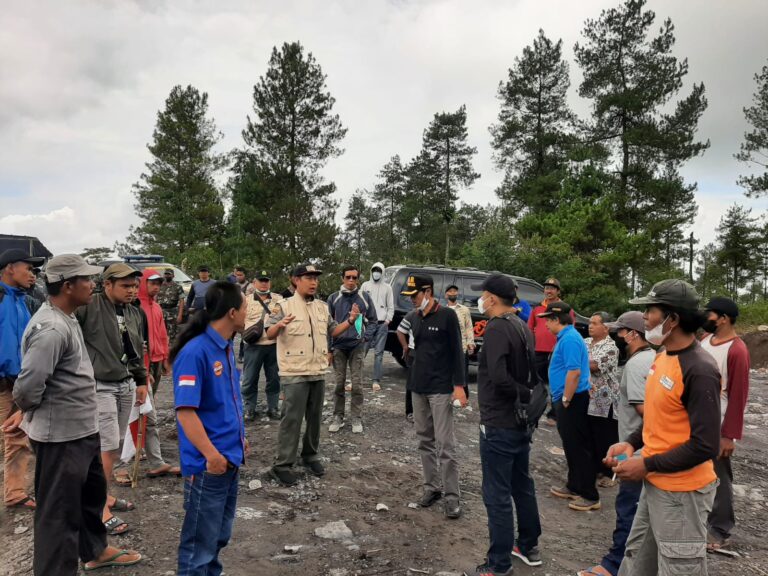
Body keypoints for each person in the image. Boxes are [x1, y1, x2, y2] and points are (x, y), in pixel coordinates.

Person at [8, 254, 141, 574]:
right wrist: (26, 412)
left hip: (81, 432)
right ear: (68, 286)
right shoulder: (51, 328)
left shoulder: (67, 316)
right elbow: (27, 387)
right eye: (86, 280)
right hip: (61, 438)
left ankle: (95, 550)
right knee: (59, 514)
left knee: (90, 497)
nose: (92, 285)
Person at [607, 279, 720, 576]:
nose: (644, 317)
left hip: (683, 495)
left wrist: (646, 464)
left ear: (673, 318)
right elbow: (658, 416)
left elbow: (706, 445)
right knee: (635, 561)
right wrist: (631, 442)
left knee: (679, 568)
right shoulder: (662, 357)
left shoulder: (700, 369)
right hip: (656, 484)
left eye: (650, 310)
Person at [464, 275, 542, 576]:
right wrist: (526, 399)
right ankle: (528, 544)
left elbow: (498, 377)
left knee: (496, 493)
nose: (480, 300)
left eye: (483, 295)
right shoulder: (522, 325)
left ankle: (499, 564)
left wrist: (522, 396)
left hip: (500, 422)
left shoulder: (497, 328)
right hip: (520, 422)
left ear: (493, 298)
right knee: (522, 483)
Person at [171, 281, 248, 576]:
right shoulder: (196, 352)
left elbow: (225, 403)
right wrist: (211, 455)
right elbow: (186, 412)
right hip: (209, 464)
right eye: (244, 309)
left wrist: (240, 440)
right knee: (198, 546)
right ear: (231, 312)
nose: (246, 315)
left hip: (229, 458)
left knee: (218, 537)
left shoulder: (226, 347)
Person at [578, 311, 654, 576]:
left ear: (633, 334)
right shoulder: (652, 358)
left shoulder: (635, 365)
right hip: (643, 449)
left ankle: (612, 565)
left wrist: (627, 455)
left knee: (627, 507)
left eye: (620, 332)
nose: (617, 336)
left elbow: (646, 415)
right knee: (639, 510)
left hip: (634, 449)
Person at [265, 264, 354, 486]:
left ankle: (310, 456)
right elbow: (269, 332)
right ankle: (282, 465)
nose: (313, 282)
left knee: (314, 419)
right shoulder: (283, 306)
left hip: (317, 370)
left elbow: (333, 330)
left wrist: (351, 321)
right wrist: (280, 326)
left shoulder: (322, 307)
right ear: (295, 280)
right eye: (308, 277)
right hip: (294, 371)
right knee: (292, 420)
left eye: (315, 278)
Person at [76, 263, 148, 535]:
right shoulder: (89, 307)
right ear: (106, 285)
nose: (131, 290)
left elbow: (136, 349)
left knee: (114, 444)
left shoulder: (134, 312)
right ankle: (96, 507)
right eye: (125, 286)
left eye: (133, 286)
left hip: (126, 384)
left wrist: (141, 380)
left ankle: (103, 495)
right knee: (105, 446)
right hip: (98, 385)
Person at [401, 274, 465, 519]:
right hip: (418, 387)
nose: (412, 301)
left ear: (427, 291)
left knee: (445, 444)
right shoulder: (415, 318)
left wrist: (459, 385)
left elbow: (457, 352)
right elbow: (415, 352)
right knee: (423, 440)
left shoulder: (448, 316)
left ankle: (452, 496)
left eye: (415, 296)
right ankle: (431, 488)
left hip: (440, 388)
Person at [700, 296, 750, 551]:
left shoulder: (737, 350)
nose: (705, 318)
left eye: (710, 314)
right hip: (697, 419)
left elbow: (739, 395)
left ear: (723, 318)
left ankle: (719, 529)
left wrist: (728, 435)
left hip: (717, 424)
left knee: (719, 476)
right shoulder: (705, 340)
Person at [539, 301, 599, 511]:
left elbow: (574, 372)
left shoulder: (571, 339)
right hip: (568, 398)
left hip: (572, 400)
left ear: (556, 320)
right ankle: (574, 485)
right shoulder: (566, 338)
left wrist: (565, 399)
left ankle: (590, 495)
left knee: (579, 447)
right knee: (571, 445)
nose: (545, 324)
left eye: (547, 320)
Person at [0, 249, 44, 510]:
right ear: (9, 268)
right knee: (14, 436)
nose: (32, 274)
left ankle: (15, 492)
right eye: (28, 268)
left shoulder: (22, 301)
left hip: (19, 382)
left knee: (16, 436)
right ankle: (14, 492)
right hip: (5, 383)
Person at [136, 269, 181, 478]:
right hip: (141, 366)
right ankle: (139, 453)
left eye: (158, 284)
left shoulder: (156, 308)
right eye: (152, 283)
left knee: (148, 406)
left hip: (155, 362)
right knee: (142, 409)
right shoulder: (136, 307)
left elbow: (162, 334)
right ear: (143, 283)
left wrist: (164, 358)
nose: (156, 287)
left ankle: (147, 451)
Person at [328, 266, 377, 434]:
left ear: (358, 279)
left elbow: (373, 320)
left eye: (354, 277)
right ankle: (338, 416)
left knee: (357, 385)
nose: (351, 281)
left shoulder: (364, 298)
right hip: (339, 347)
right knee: (339, 384)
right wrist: (329, 348)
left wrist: (365, 338)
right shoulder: (333, 298)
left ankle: (356, 417)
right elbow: (327, 326)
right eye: (347, 277)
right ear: (342, 278)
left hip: (357, 346)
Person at [528, 277, 574, 426]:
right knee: (537, 383)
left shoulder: (565, 309)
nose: (548, 290)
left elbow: (569, 329)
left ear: (558, 291)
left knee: (556, 383)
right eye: (546, 288)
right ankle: (534, 411)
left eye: (552, 288)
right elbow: (529, 329)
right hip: (538, 352)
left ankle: (554, 415)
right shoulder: (537, 308)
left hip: (557, 353)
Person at [241, 270, 283, 421]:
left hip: (273, 344)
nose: (264, 283)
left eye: (266, 280)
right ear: (254, 283)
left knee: (274, 379)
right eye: (261, 280)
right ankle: (249, 409)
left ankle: (273, 408)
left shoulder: (279, 299)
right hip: (253, 346)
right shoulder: (246, 300)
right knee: (250, 378)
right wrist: (247, 334)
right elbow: (239, 322)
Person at [586, 312, 621, 484]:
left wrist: (572, 360)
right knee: (590, 436)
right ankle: (594, 469)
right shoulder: (585, 342)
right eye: (589, 323)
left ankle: (610, 474)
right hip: (588, 399)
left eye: (594, 323)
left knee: (606, 438)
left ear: (606, 328)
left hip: (605, 401)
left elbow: (594, 366)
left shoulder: (611, 348)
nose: (590, 326)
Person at [361, 261, 394, 391]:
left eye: (379, 271)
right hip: (367, 323)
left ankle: (376, 380)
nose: (376, 273)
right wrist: (361, 319)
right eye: (374, 270)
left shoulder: (387, 288)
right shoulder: (365, 285)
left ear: (382, 272)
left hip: (381, 324)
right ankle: (356, 379)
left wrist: (387, 321)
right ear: (371, 271)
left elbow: (391, 307)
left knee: (379, 354)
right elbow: (359, 302)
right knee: (361, 352)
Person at [445, 284, 475, 400]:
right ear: (446, 294)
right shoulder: (443, 310)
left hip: (462, 346)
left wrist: (470, 343)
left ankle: (463, 397)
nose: (453, 293)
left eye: (455, 291)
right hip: (446, 347)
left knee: (462, 372)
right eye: (450, 291)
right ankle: (448, 395)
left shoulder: (464, 310)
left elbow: (469, 327)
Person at [396, 308, 418, 423]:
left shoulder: (438, 315)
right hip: (414, 352)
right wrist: (405, 346)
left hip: (431, 354)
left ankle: (425, 412)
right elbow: (400, 331)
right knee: (411, 383)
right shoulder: (412, 315)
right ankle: (410, 412)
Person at [158, 268, 185, 342]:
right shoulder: (159, 285)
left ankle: (171, 350)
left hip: (172, 312)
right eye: (166, 274)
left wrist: (180, 315)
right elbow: (155, 298)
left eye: (169, 274)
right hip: (160, 311)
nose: (167, 276)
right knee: (160, 332)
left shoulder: (177, 287)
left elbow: (182, 301)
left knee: (172, 333)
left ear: (173, 275)